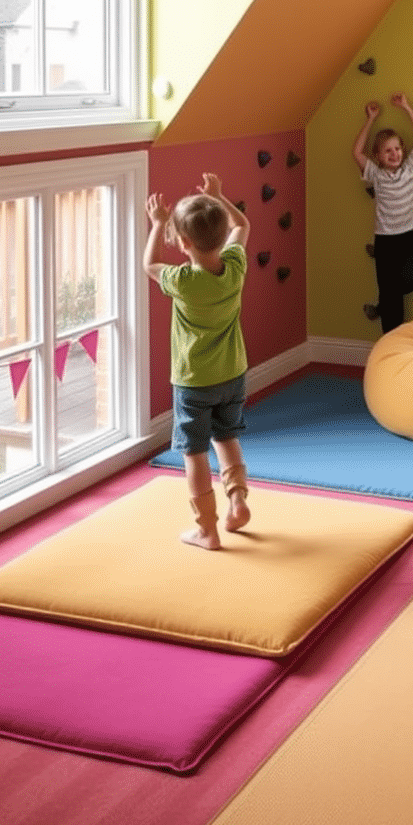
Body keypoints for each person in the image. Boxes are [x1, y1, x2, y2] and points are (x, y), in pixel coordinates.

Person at [143, 173, 251, 550]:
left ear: (184, 243)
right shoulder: (235, 267)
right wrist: (220, 196)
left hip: (193, 380)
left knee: (194, 452)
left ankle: (207, 529)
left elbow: (149, 265)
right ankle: (237, 500)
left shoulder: (182, 280)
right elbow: (242, 224)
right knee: (227, 436)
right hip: (232, 373)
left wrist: (157, 224)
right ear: (221, 237)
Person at [353, 92, 413, 332]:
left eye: (397, 149)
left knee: (407, 283)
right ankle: (392, 340)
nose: (394, 154)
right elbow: (356, 152)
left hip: (407, 237)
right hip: (385, 241)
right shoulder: (376, 174)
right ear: (378, 156)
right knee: (388, 294)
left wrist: (406, 107)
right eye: (388, 151)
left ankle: (393, 302)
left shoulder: (409, 169)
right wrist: (370, 119)